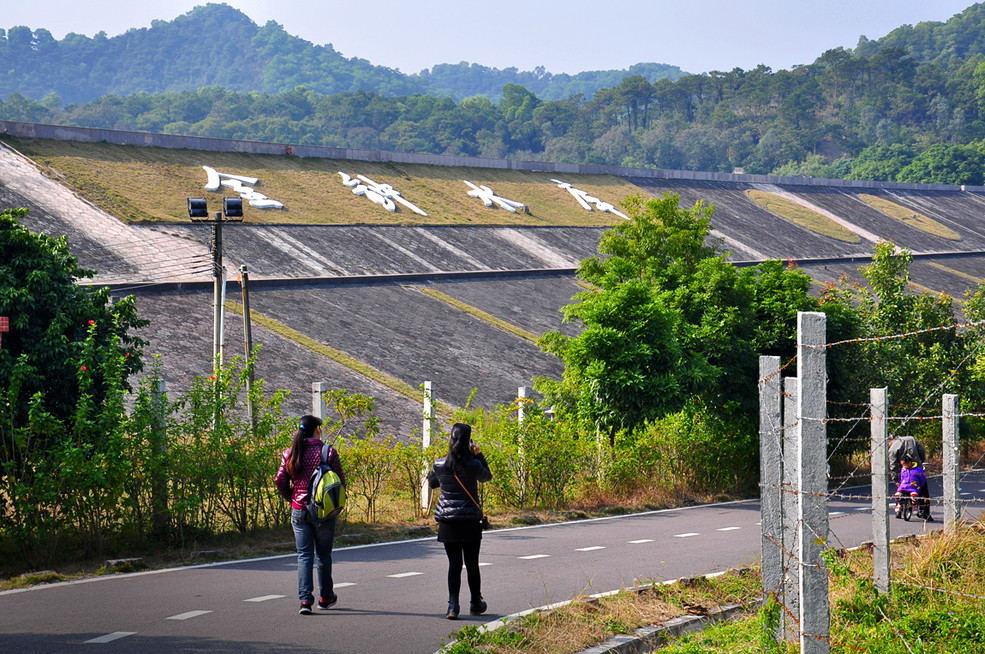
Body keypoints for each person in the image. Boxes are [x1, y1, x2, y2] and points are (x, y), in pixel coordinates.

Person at [275, 414, 346, 614]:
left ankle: (305, 601)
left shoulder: (290, 453)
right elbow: (340, 481)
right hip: (323, 512)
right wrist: (335, 506)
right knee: (323, 556)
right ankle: (325, 598)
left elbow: (280, 481)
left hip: (299, 511)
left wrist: (293, 499)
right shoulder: (328, 452)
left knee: (304, 556)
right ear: (317, 430)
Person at [428, 422, 492, 620]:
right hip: (470, 521)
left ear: (450, 439)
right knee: (472, 564)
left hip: (448, 522)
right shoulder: (472, 465)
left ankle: (453, 606)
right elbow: (487, 477)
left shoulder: (440, 465)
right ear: (468, 442)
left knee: (454, 564)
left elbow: (432, 483)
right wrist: (478, 454)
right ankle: (475, 602)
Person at [889, 435, 932, 520]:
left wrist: (895, 478)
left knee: (901, 487)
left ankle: (899, 508)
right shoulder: (912, 439)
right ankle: (925, 511)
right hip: (915, 467)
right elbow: (922, 450)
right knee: (923, 490)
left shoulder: (893, 447)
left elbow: (893, 464)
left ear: (890, 440)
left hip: (903, 468)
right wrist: (920, 461)